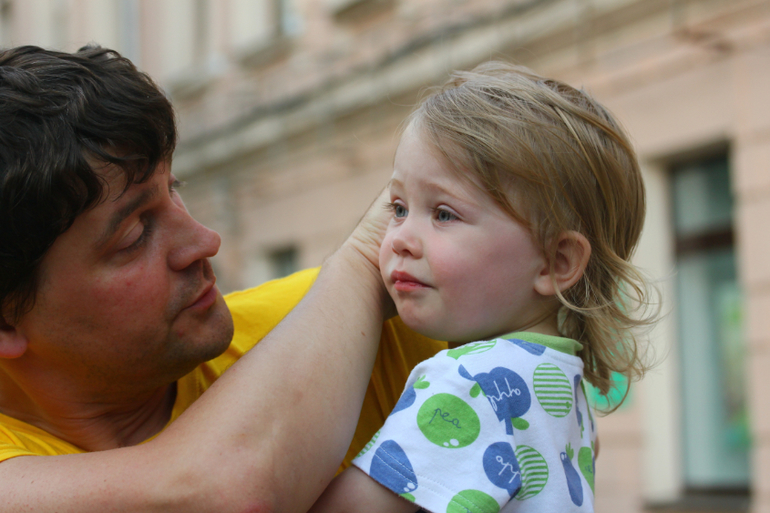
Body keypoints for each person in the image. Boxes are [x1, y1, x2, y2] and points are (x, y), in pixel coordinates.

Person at [0, 45, 445, 512]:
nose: (203, 241)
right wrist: (361, 258)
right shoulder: (356, 296)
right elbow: (220, 495)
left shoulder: (370, 320)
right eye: (133, 235)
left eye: (174, 191)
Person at [310, 62, 656, 513]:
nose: (397, 239)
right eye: (398, 207)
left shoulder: (473, 383)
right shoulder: (562, 384)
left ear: (557, 262)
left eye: (444, 214)